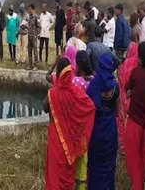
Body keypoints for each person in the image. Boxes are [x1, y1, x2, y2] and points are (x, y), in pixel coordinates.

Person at [43, 58, 95, 190]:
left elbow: (44, 108)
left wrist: (54, 88)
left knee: (54, 173)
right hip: (71, 141)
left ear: (59, 73)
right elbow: (90, 107)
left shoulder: (52, 93)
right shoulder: (76, 93)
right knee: (67, 175)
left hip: (55, 138)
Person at [124, 42, 145, 190]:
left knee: (133, 162)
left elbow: (127, 88)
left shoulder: (136, 72)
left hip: (134, 123)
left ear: (142, 58)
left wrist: (131, 92)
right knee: (142, 162)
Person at [86, 52, 119, 190]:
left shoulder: (93, 85)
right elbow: (117, 111)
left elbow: (87, 109)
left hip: (96, 130)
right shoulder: (116, 86)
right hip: (110, 130)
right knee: (108, 165)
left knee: (95, 164)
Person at [72, 50, 95, 189]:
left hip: (77, 124)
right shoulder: (94, 81)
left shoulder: (75, 81)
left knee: (79, 156)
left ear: (78, 66)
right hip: (91, 124)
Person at [116, 41, 139, 154]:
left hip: (122, 96)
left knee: (121, 120)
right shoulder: (137, 66)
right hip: (133, 98)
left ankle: (122, 146)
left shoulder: (123, 65)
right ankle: (132, 145)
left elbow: (120, 79)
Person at [27, 4, 40, 70]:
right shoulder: (29, 17)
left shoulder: (36, 17)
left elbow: (39, 27)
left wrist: (37, 34)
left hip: (34, 37)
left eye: (30, 9)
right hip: (29, 36)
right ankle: (30, 65)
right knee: (29, 51)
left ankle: (36, 65)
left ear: (33, 9)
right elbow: (28, 26)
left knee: (35, 51)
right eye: (28, 9)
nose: (29, 10)